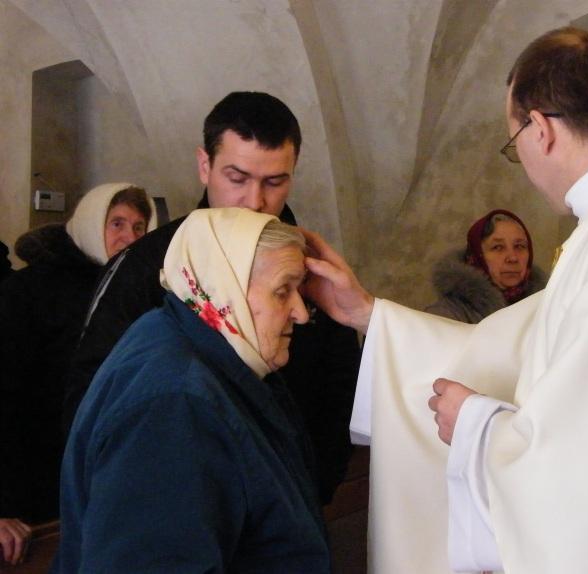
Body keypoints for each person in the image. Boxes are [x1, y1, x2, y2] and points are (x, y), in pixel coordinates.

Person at [300, 27, 588, 574]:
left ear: (539, 128)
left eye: (511, 143)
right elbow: (523, 341)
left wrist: (476, 427)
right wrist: (368, 314)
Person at [62, 92, 361, 505]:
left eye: (274, 182)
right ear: (205, 165)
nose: (255, 201)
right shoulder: (144, 265)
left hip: (290, 506)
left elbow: (340, 388)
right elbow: (94, 394)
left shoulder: (312, 265)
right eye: (237, 178)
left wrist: (312, 491)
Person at [54, 208, 330, 572]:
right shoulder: (175, 405)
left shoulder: (191, 343)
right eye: (283, 291)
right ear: (222, 286)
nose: (301, 313)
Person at [0, 183, 155, 524]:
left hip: (107, 473)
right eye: (116, 223)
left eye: (139, 227)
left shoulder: (139, 294)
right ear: (90, 222)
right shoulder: (28, 291)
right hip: (36, 479)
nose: (129, 237)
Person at [426, 209, 545, 322]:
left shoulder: (546, 307)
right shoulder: (445, 316)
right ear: (477, 256)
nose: (513, 258)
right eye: (498, 247)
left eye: (520, 246)